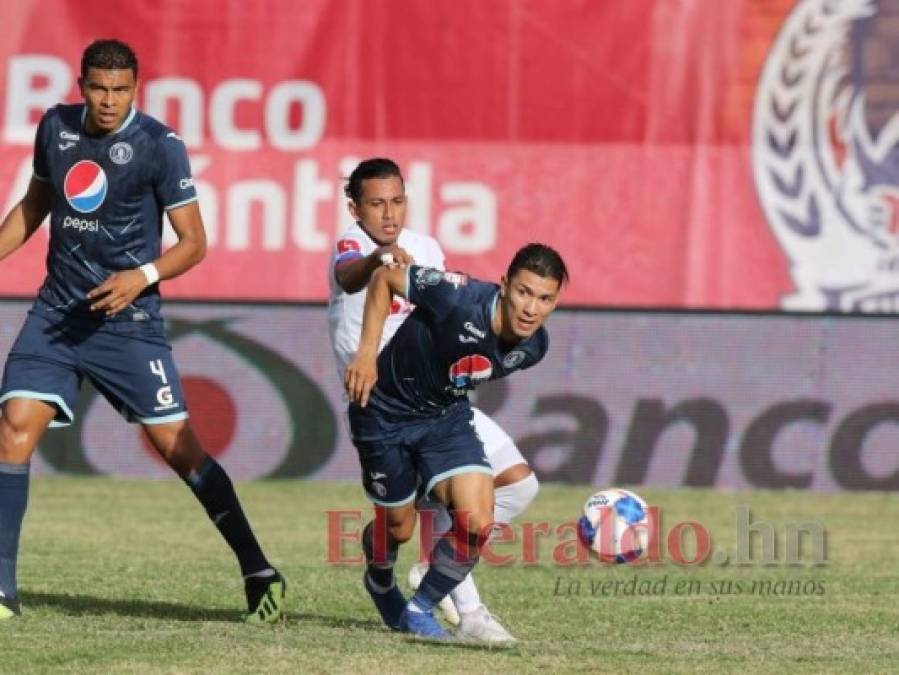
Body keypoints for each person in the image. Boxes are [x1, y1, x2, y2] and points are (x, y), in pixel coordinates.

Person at [0, 39, 284, 623]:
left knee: (179, 450)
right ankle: (2, 591)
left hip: (128, 324)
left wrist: (141, 276)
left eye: (121, 90)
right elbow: (34, 207)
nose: (109, 101)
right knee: (13, 431)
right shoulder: (54, 128)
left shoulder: (159, 146)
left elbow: (194, 244)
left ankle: (258, 569)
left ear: (136, 89)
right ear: (81, 85)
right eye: (99, 89)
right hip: (56, 315)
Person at [328, 158, 540, 642]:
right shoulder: (353, 245)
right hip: (383, 402)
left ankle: (440, 577)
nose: (389, 214)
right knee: (397, 527)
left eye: (397, 201)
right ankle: (389, 577)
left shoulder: (425, 248)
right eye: (377, 203)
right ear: (355, 208)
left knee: (516, 486)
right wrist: (382, 262)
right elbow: (349, 277)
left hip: (440, 401)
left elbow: (445, 310)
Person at [344, 242, 568, 640]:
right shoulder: (458, 297)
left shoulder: (534, 347)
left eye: (545, 298)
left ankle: (419, 608)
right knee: (397, 529)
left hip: (444, 418)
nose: (531, 308)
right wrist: (365, 354)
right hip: (384, 413)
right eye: (524, 292)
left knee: (478, 521)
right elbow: (384, 278)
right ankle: (380, 580)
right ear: (504, 286)